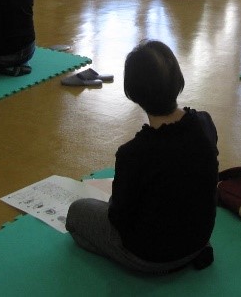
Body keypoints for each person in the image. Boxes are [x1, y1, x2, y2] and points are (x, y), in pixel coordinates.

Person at [65, 40, 219, 274]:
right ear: (178, 79)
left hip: (150, 256)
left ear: (133, 93)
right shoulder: (205, 123)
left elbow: (118, 218)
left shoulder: (134, 153)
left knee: (77, 213)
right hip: (198, 240)